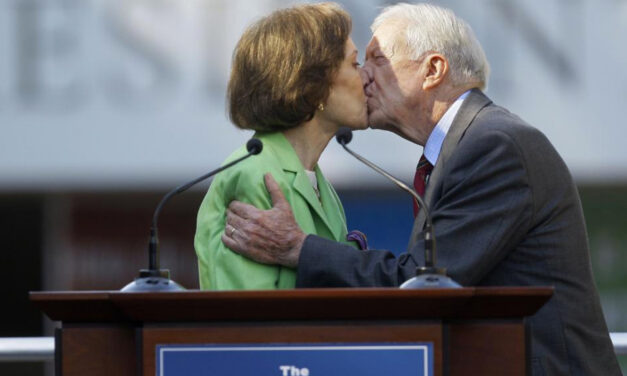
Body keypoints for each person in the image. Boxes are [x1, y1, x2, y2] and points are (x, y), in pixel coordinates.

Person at [221, 3, 621, 375]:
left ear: (433, 70)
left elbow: (423, 283)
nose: (363, 76)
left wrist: (299, 248)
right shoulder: (464, 147)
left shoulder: (493, 145)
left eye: (378, 60)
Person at [194, 2, 368, 290]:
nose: (365, 77)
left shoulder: (319, 183)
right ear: (315, 85)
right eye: (354, 64)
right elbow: (252, 315)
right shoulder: (255, 174)